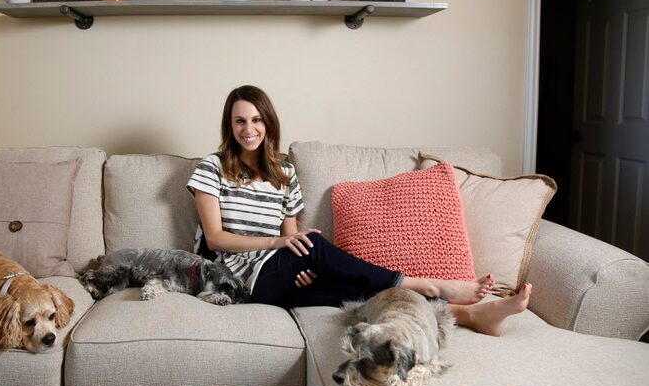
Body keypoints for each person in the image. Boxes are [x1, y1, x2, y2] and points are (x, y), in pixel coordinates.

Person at [187, 85, 531, 336]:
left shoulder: (284, 173)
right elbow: (216, 239)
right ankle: (428, 285)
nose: (249, 130)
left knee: (350, 290)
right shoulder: (212, 167)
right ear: (229, 127)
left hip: (273, 280)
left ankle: (469, 317)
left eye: (256, 120)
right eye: (240, 122)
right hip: (231, 280)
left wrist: (299, 265)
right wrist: (279, 247)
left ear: (268, 123)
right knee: (317, 246)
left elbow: (292, 238)